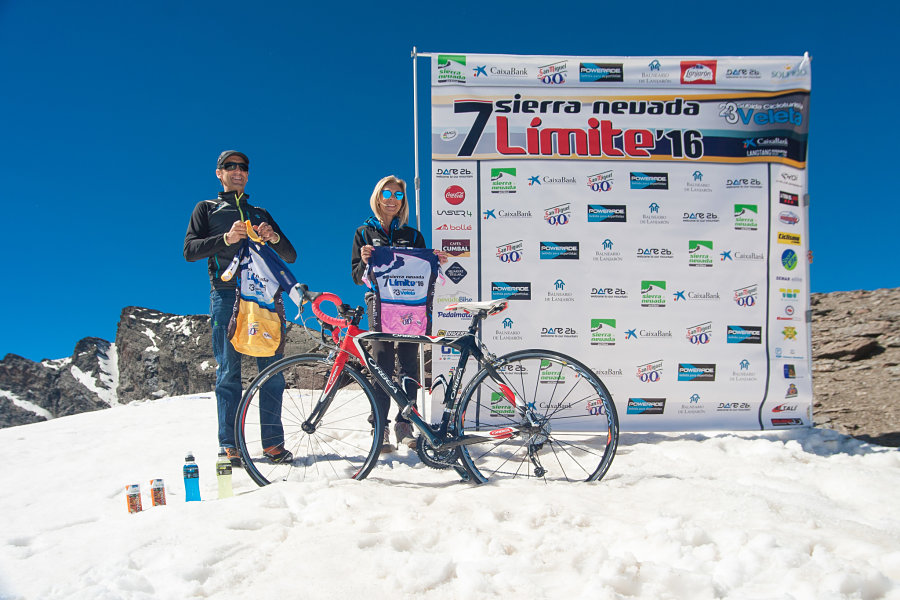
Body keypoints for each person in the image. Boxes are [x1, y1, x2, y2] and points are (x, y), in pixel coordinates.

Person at [184, 150, 297, 466]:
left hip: (264, 297)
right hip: (226, 295)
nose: (237, 171)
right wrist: (224, 238)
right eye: (229, 166)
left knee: (272, 372)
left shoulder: (260, 211)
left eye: (243, 167)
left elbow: (290, 255)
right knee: (228, 371)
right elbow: (189, 250)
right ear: (218, 173)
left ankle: (273, 445)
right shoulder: (206, 208)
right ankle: (229, 445)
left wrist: (272, 236)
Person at [351, 175, 447, 453]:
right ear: (378, 197)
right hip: (379, 304)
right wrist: (367, 260)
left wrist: (435, 262)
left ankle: (405, 425)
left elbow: (423, 269)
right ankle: (379, 427)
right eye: (387, 193)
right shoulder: (363, 233)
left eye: (398, 195)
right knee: (379, 363)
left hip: (410, 306)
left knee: (409, 363)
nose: (393, 199)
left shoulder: (414, 235)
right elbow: (357, 277)